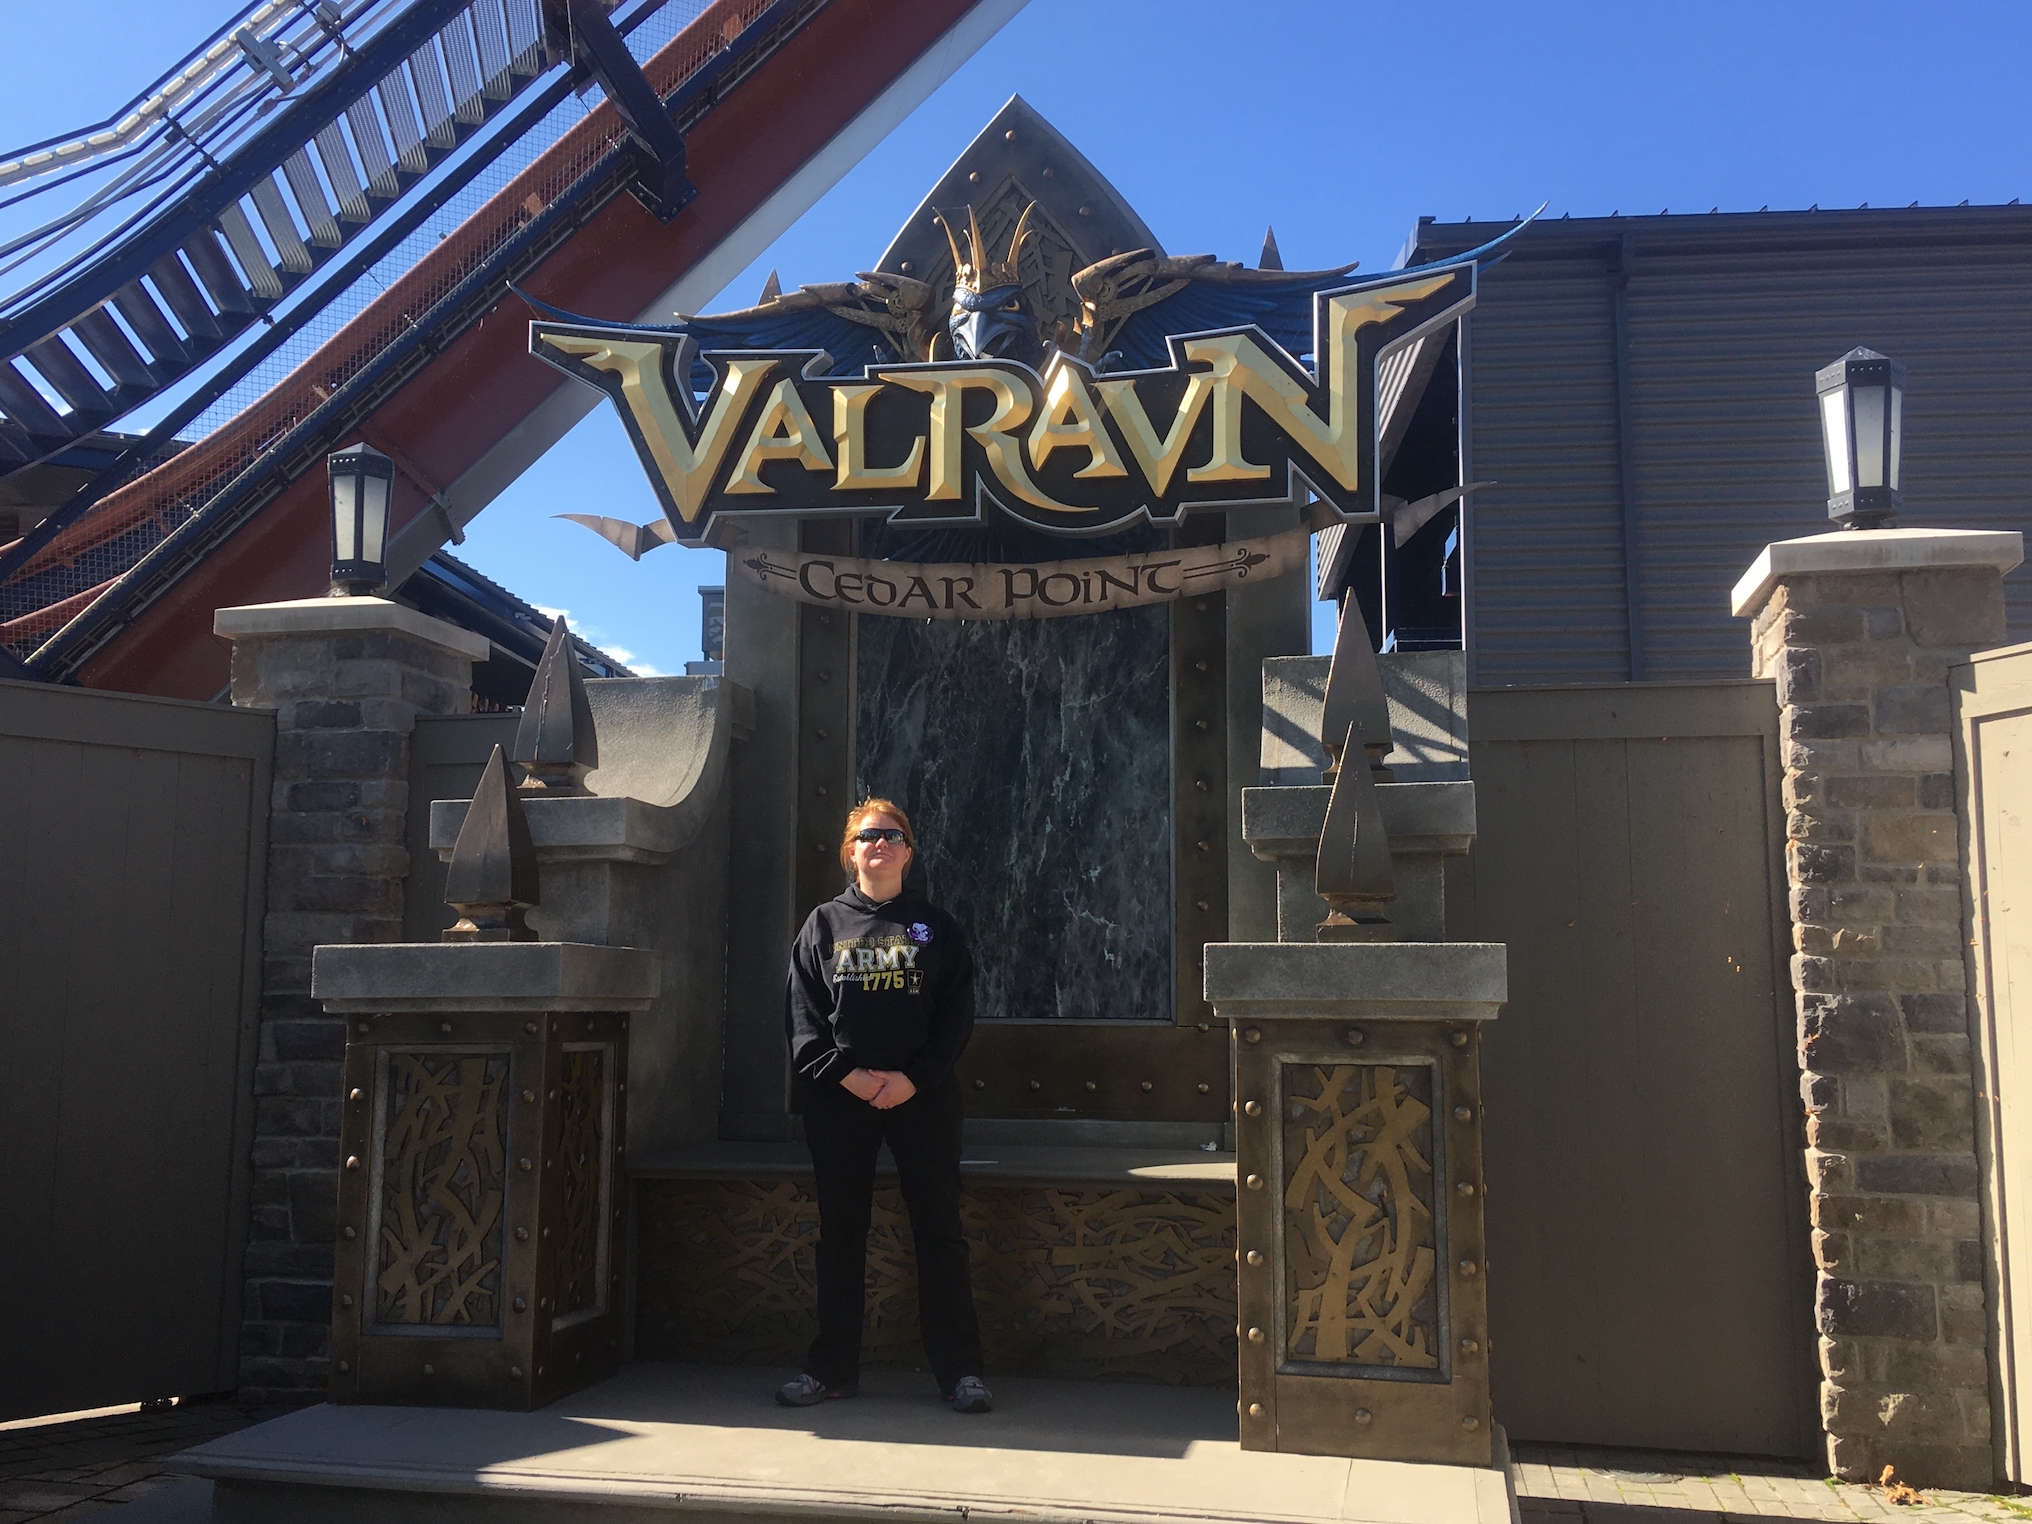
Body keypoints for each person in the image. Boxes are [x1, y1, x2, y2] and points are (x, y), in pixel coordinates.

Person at [778, 798, 991, 1414]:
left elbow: (956, 1016)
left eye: (893, 836)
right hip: (841, 1102)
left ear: (908, 851)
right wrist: (852, 1079)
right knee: (841, 1234)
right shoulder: (822, 926)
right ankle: (831, 1369)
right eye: (869, 835)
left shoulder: (934, 928)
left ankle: (960, 1373)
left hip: (921, 1100)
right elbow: (803, 1020)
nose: (881, 844)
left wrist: (911, 1081)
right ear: (851, 851)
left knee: (940, 1232)